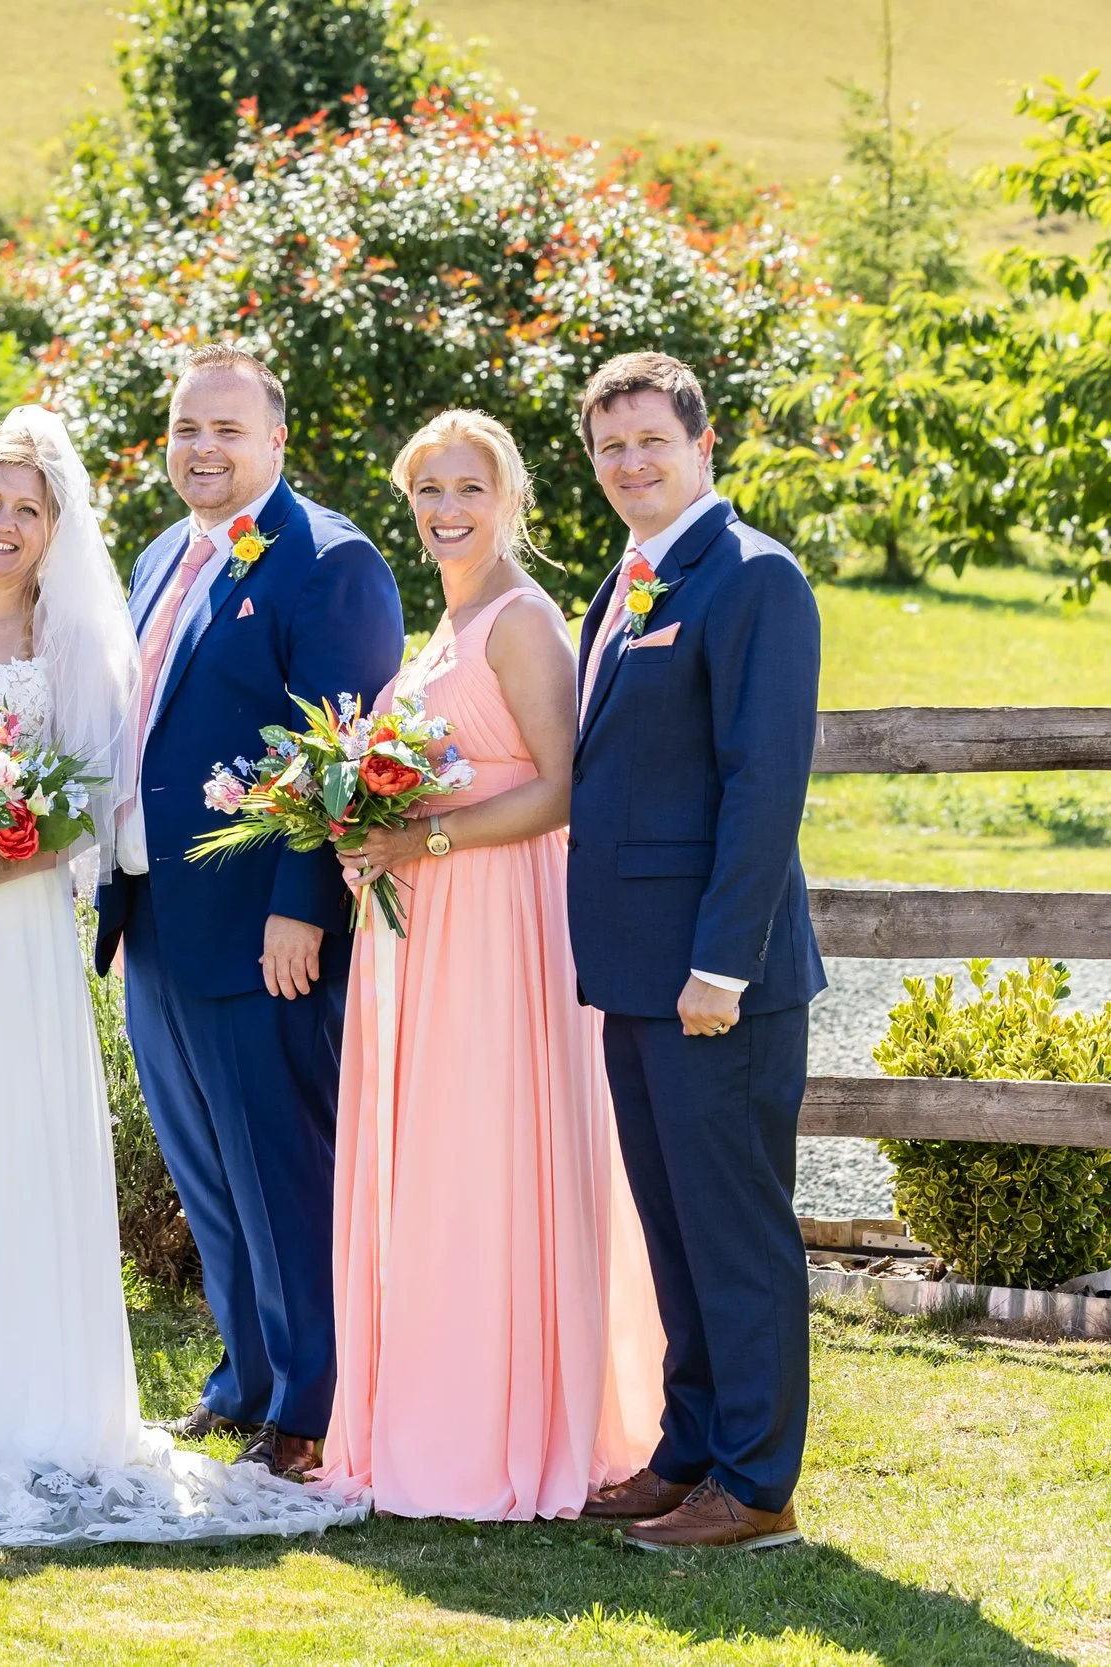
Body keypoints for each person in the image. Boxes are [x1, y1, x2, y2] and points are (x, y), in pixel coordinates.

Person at [0, 408, 365, 1548]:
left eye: (27, 509)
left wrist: (5, 853)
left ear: (55, 529)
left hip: (6, 927)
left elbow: (105, 799)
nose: (2, 524)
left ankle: (17, 1386)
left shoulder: (73, 641)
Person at [317, 409, 665, 1519]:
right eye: (429, 490)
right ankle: (430, 1413)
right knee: (433, 1161)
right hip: (423, 925)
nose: (447, 510)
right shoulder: (444, 624)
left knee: (486, 1156)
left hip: (502, 921)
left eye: (469, 488)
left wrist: (422, 840)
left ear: (510, 498)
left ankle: (504, 1427)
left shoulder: (522, 620)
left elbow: (564, 788)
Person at [91, 347, 404, 1479]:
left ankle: (313, 1403)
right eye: (186, 428)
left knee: (280, 1170)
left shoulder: (329, 560)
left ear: (277, 438)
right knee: (209, 1174)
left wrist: (302, 907)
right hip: (155, 917)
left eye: (227, 429)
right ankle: (248, 1378)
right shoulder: (159, 555)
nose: (203, 448)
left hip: (264, 928)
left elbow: (338, 746)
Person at [568, 352, 824, 1552]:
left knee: (736, 1233)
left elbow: (762, 784)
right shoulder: (625, 580)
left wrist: (720, 965)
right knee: (673, 1231)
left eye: (650, 441)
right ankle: (688, 1450)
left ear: (701, 444)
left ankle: (756, 1483)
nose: (630, 464)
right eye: (610, 447)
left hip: (716, 982)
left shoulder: (754, 576)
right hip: (634, 975)